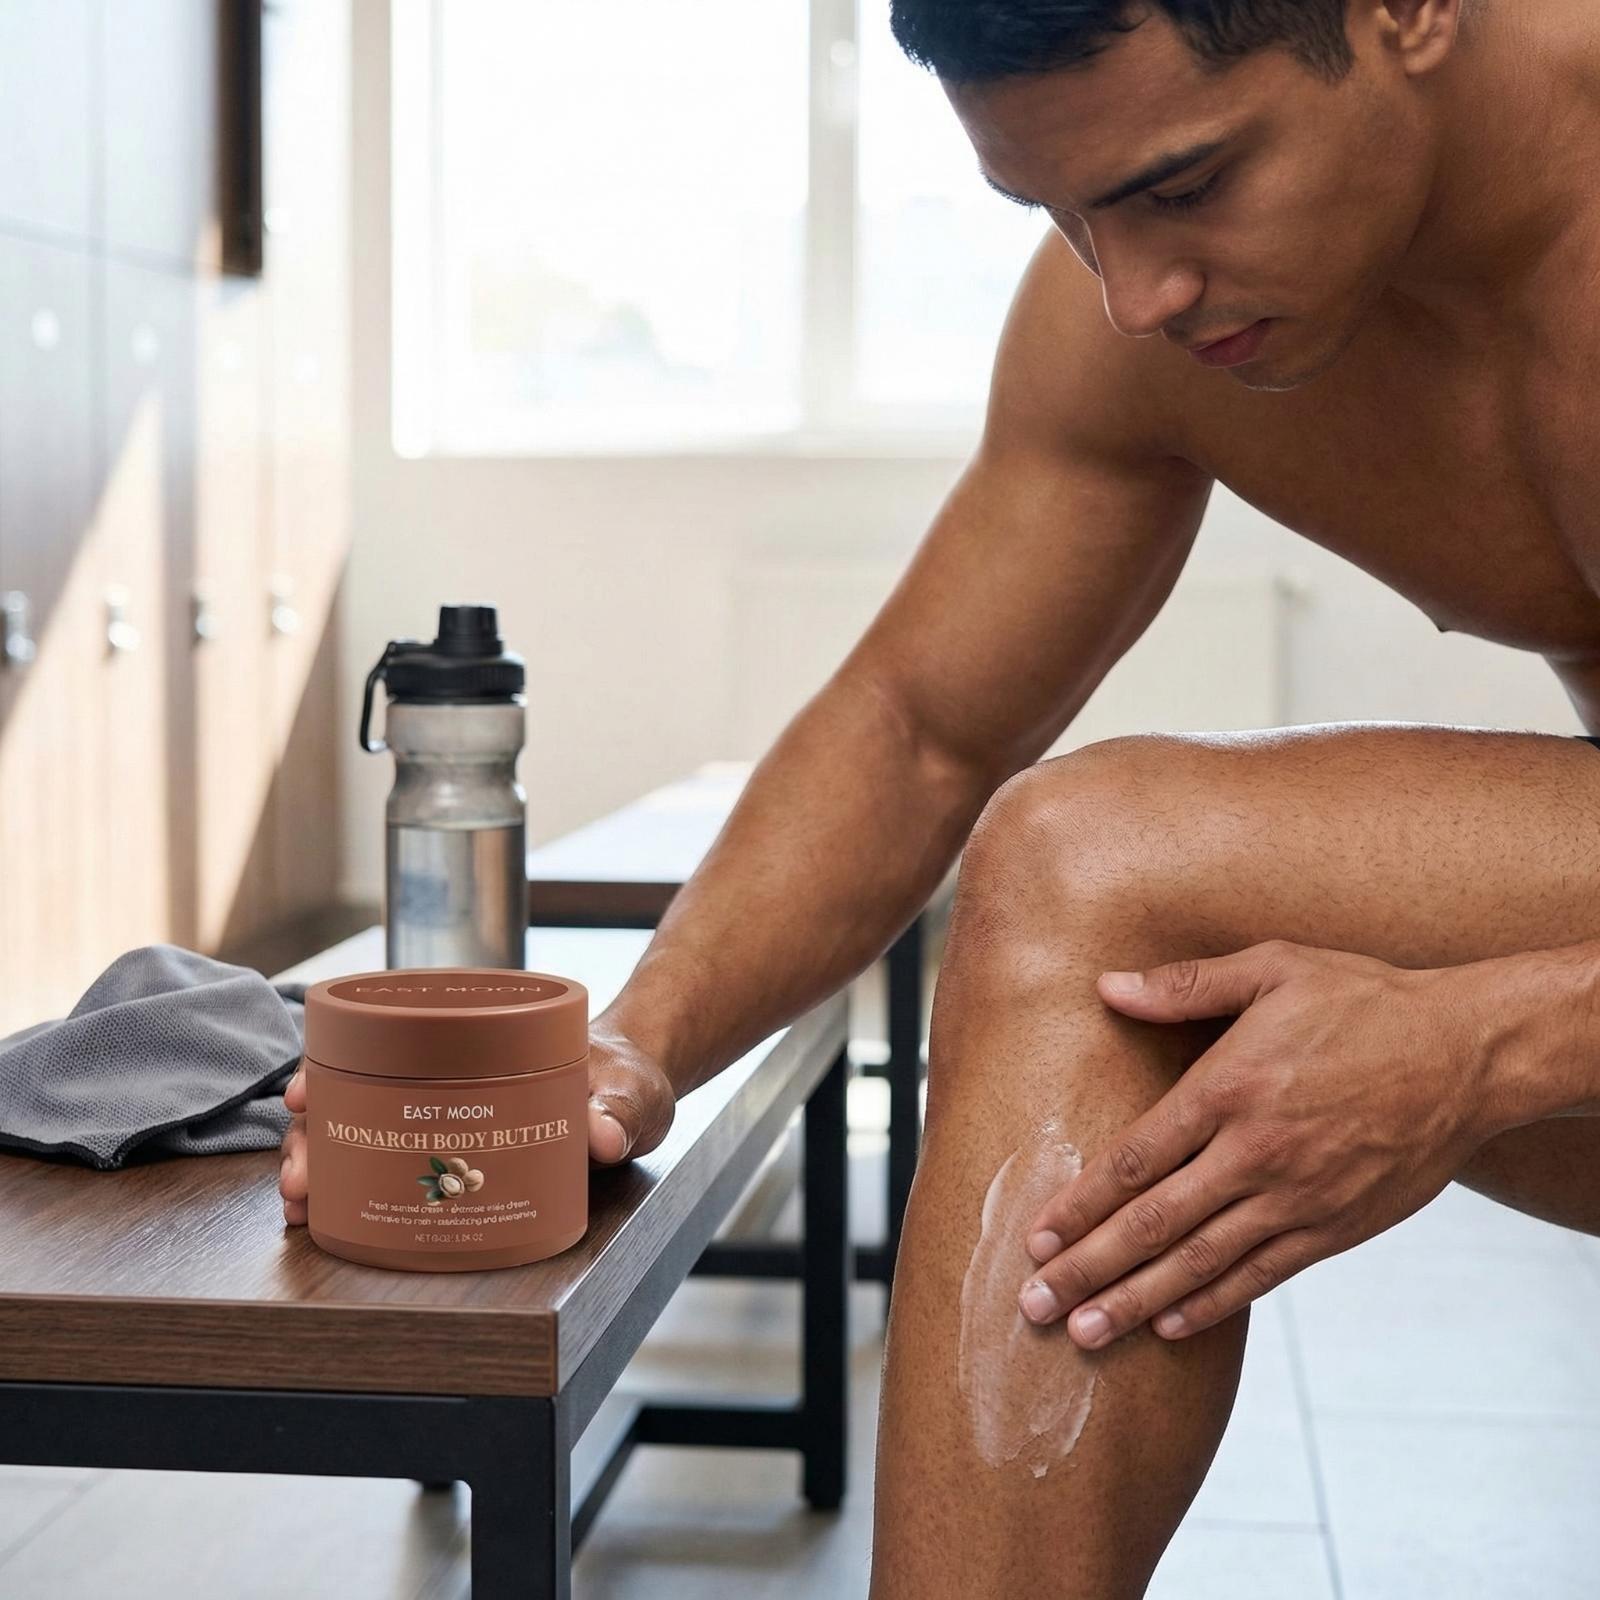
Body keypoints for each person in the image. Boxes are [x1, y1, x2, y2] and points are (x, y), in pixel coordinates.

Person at [280, 1, 1600, 1592]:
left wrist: (1488, 1040)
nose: (1132, 293)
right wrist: (636, 1043)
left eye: (1185, 185)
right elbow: (920, 732)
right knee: (1097, 925)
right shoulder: (1142, 325)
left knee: (1095, 861)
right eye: (1064, 214)